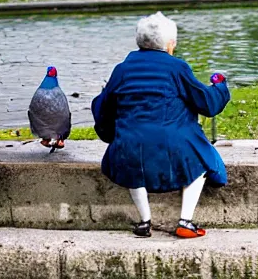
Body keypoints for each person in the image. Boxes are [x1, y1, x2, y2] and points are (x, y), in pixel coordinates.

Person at [91, 12, 230, 238]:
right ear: (170, 44)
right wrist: (220, 88)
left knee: (131, 158)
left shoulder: (122, 70)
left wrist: (110, 135)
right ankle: (185, 221)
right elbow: (206, 103)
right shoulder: (177, 68)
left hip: (129, 147)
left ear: (139, 41)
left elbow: (103, 107)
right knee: (202, 159)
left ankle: (145, 222)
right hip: (175, 147)